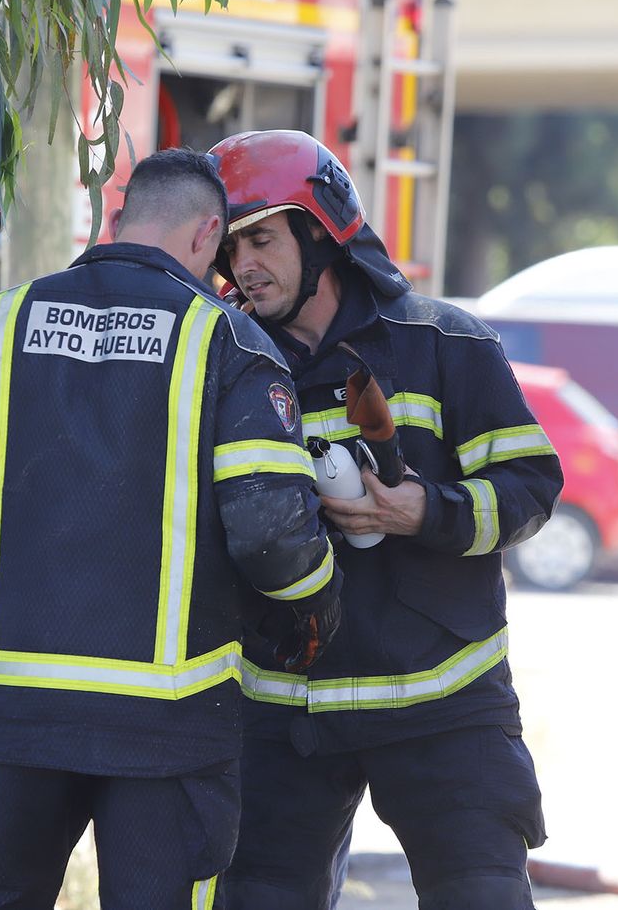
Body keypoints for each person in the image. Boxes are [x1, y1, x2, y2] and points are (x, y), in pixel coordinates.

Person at [0, 148, 343, 910]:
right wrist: (320, 600)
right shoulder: (227, 343)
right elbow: (272, 539)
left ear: (121, 218)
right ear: (207, 234)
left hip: (20, 708)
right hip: (166, 723)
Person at [208, 131, 564, 910]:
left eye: (262, 239)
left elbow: (532, 486)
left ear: (320, 234)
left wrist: (426, 511)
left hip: (443, 708)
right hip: (285, 715)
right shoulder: (227, 362)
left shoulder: (445, 345)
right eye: (230, 248)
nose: (244, 266)